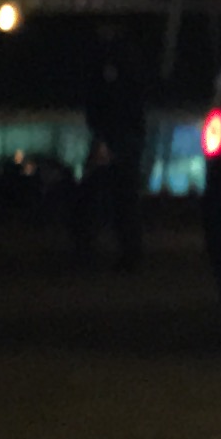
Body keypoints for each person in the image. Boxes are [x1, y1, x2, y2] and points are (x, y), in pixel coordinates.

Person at [75, 38, 153, 269]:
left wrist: (104, 139)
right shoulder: (130, 77)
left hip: (116, 140)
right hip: (122, 140)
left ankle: (96, 249)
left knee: (109, 196)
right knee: (122, 198)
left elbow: (105, 108)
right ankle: (126, 252)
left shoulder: (111, 77)